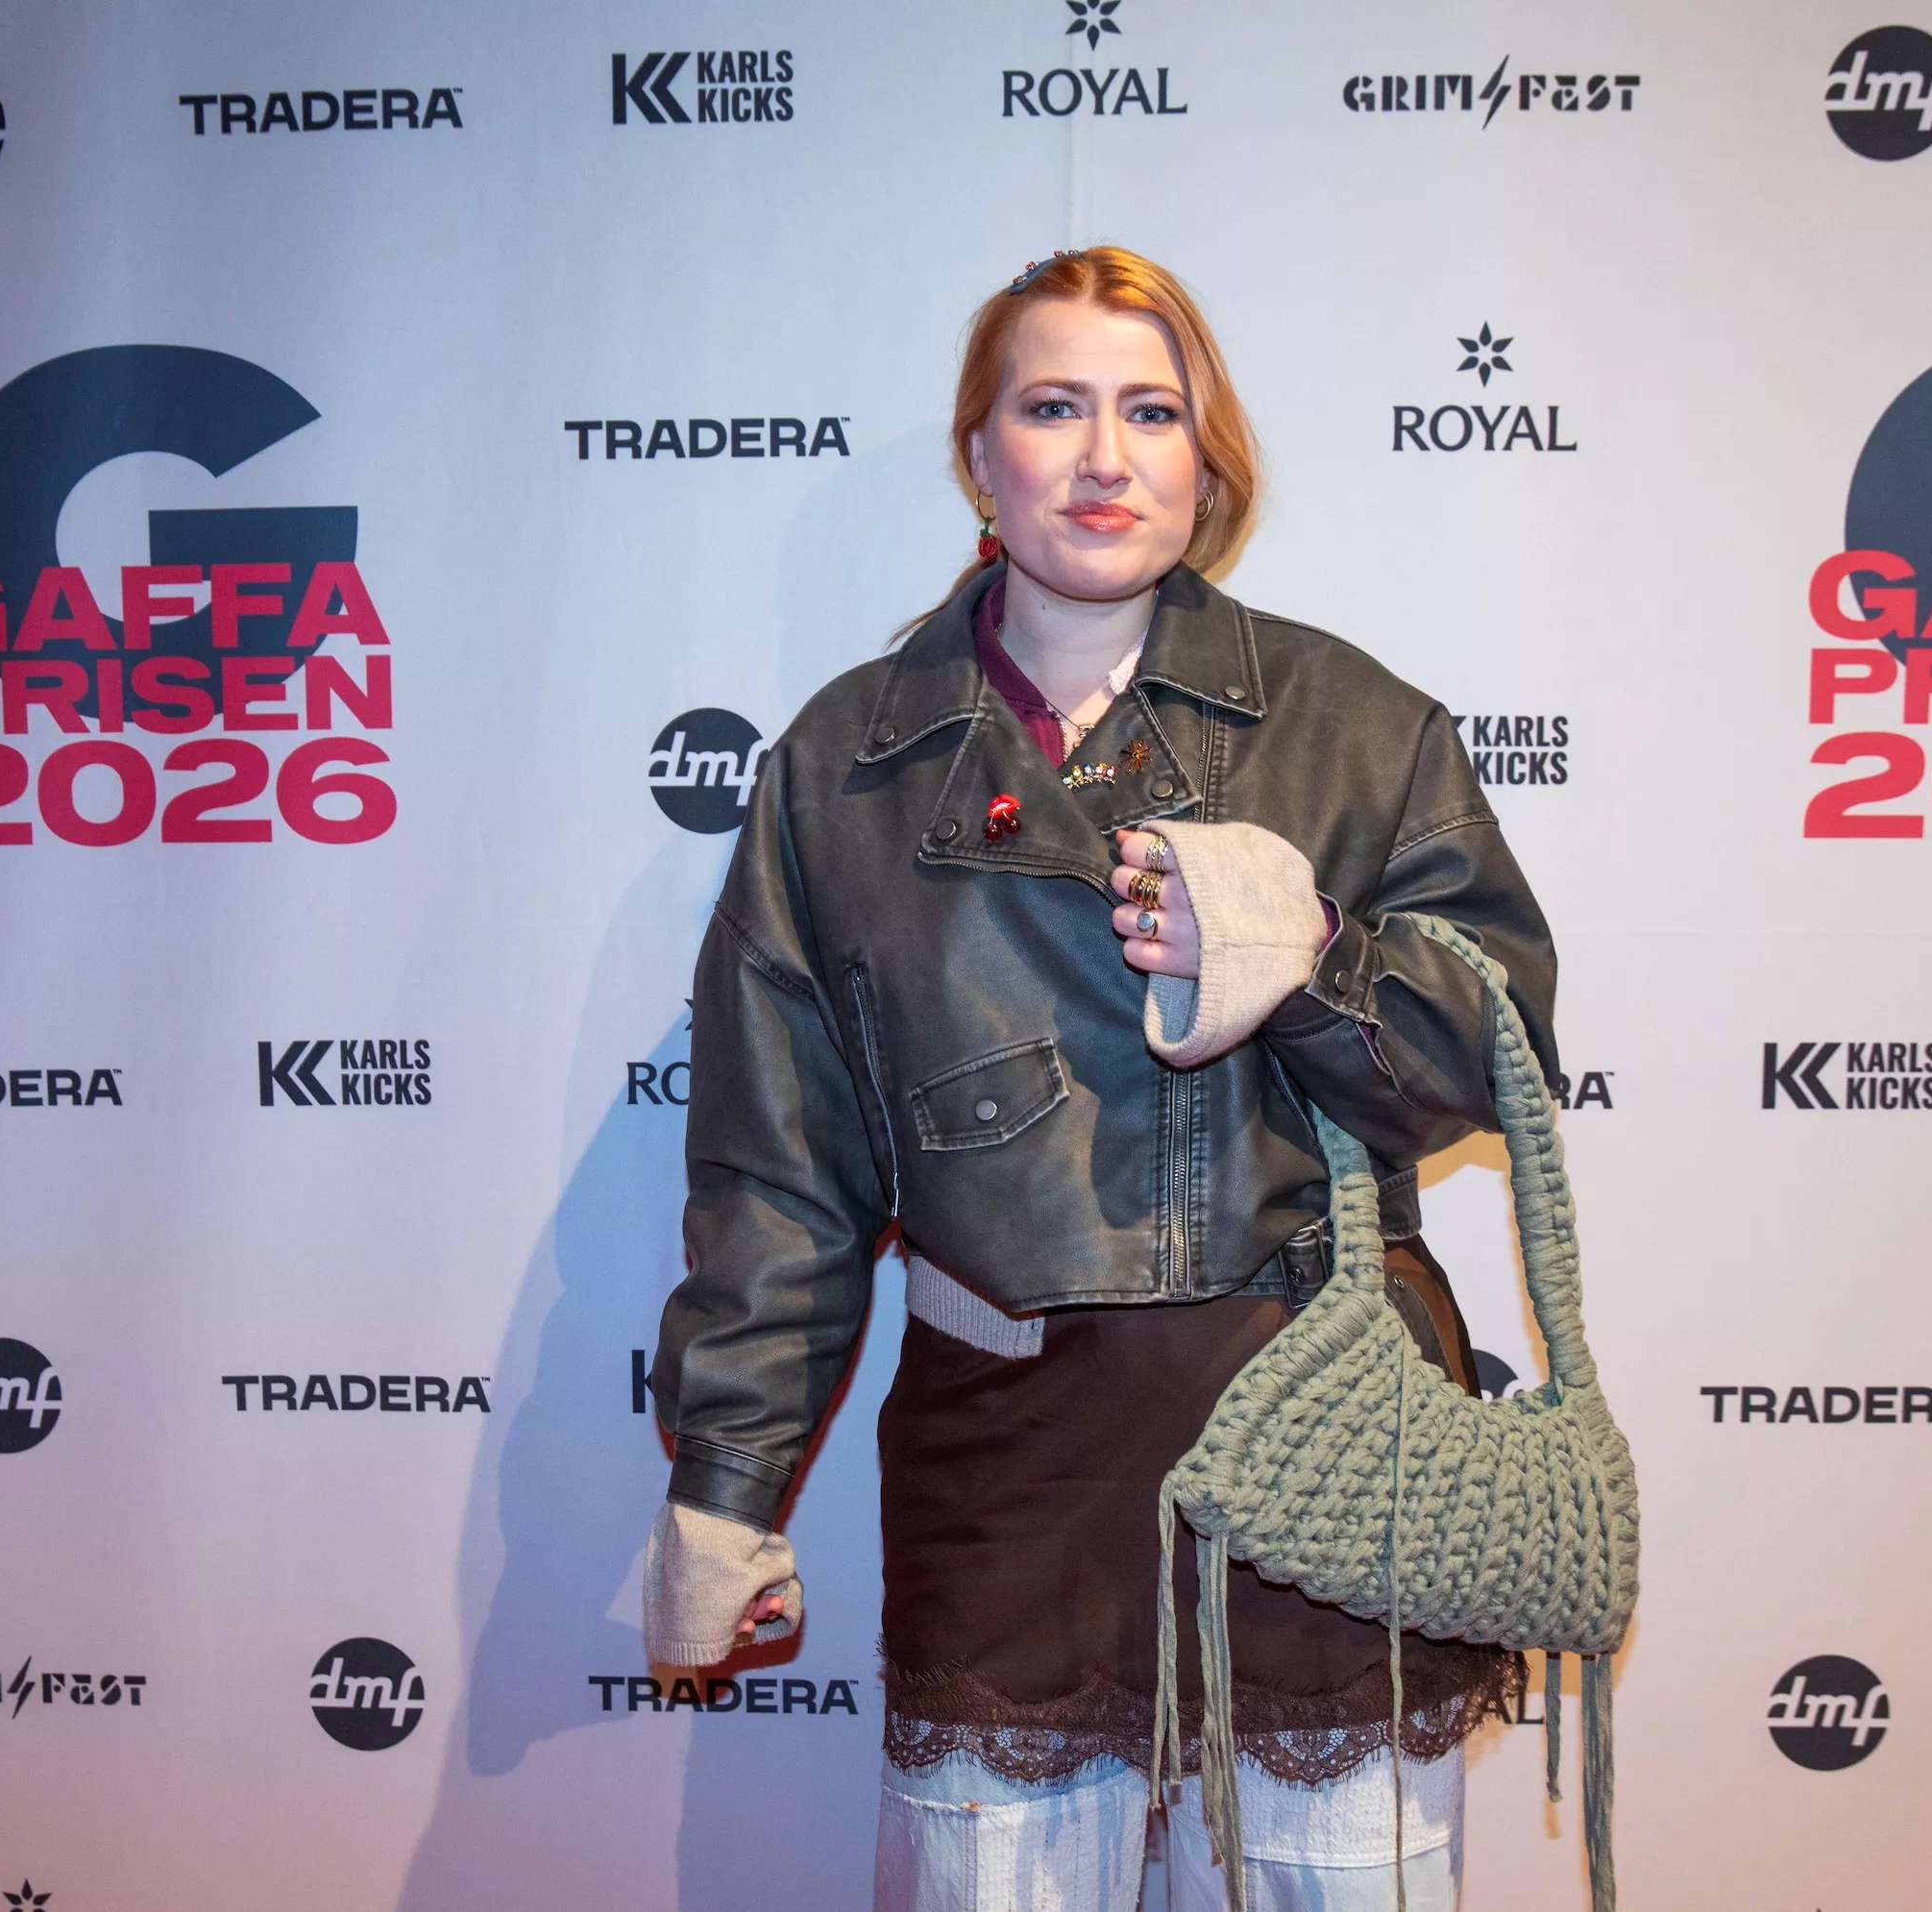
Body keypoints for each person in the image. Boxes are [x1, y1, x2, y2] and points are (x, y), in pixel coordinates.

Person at [642, 245, 1562, 1910]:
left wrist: (1310, 957)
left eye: (1152, 411)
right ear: (978, 456)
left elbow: (1488, 1061)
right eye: (1052, 407)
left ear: (1209, 460)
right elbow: (779, 1173)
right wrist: (725, 1483)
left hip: (1324, 1458)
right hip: (1013, 1484)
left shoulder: (1358, 726)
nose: (1103, 456)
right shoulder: (842, 770)